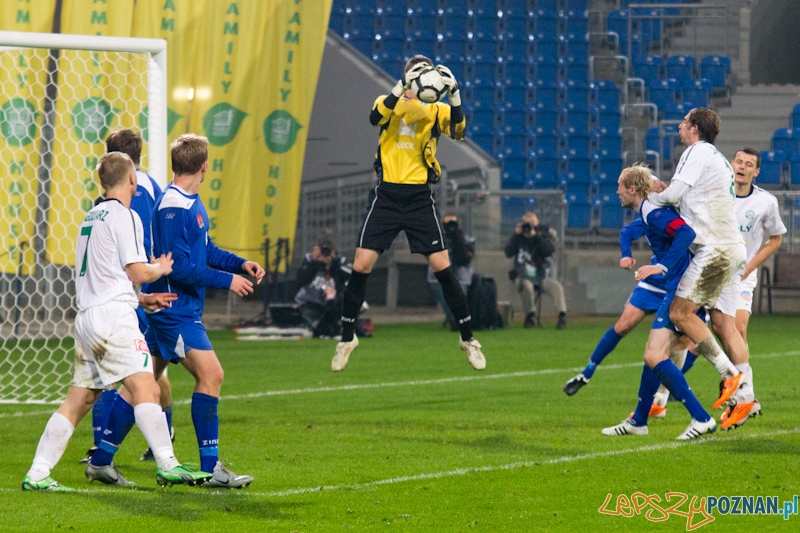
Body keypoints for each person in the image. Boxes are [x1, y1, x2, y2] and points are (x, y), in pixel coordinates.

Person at [86, 134, 266, 489]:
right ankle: (211, 467)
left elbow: (205, 249)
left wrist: (240, 263)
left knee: (142, 384)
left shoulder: (189, 201)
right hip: (173, 310)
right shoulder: (172, 207)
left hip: (172, 308)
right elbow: (179, 267)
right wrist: (227, 281)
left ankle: (101, 461)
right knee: (211, 375)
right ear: (205, 165)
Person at [22, 152, 210, 491]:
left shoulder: (90, 217)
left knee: (79, 399)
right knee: (146, 388)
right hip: (113, 319)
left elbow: (102, 275)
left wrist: (141, 298)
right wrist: (160, 270)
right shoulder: (126, 217)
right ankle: (168, 463)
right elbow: (137, 271)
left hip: (88, 317)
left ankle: (37, 473)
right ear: (132, 179)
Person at [330, 54, 486, 372]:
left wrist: (454, 94)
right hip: (386, 194)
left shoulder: (437, 108)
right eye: (414, 72)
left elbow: (458, 131)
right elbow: (375, 117)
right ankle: (347, 338)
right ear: (407, 76)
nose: (420, 77)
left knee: (443, 268)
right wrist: (402, 85)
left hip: (418, 197)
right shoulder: (389, 101)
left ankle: (468, 339)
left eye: (424, 72)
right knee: (361, 265)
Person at [81, 128, 176, 467]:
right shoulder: (122, 197)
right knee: (141, 368)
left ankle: (151, 440)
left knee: (142, 368)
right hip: (131, 286)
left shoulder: (130, 195)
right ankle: (116, 448)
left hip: (137, 283)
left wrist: (149, 280)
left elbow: (143, 239)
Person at [602, 164, 717, 439]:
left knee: (655, 355)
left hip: (680, 290)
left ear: (632, 189)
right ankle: (639, 421)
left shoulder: (652, 212)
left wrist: (662, 266)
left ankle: (701, 418)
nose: (617, 191)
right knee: (653, 356)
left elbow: (686, 233)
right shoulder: (647, 211)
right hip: (676, 287)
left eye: (620, 186)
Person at [647, 108, 746, 414]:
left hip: (715, 249)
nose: (679, 126)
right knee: (700, 327)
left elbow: (676, 193)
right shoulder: (713, 156)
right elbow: (687, 197)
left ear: (694, 128)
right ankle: (660, 400)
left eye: (684, 121)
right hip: (726, 247)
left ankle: (732, 377)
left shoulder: (697, 151)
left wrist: (651, 198)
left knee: (680, 313)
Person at [504, 211, 567, 329]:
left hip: (541, 277)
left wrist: (535, 236)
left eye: (531, 224)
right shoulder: (518, 239)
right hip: (524, 277)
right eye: (526, 224)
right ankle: (530, 317)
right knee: (527, 286)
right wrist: (515, 235)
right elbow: (508, 252)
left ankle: (561, 317)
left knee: (557, 287)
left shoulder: (541, 237)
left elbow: (549, 250)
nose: (528, 228)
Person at [295, 234, 352, 338]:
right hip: (311, 300)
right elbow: (300, 280)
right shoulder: (309, 260)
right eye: (323, 250)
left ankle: (339, 326)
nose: (325, 254)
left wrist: (333, 263)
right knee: (315, 323)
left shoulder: (340, 261)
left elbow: (352, 275)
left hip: (334, 302)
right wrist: (314, 262)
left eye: (328, 251)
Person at [426, 212, 474, 330]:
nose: (450, 226)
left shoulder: (466, 239)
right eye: (447, 224)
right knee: (443, 294)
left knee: (460, 296)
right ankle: (453, 318)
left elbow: (466, 259)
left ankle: (458, 320)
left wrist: (458, 239)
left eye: (453, 223)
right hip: (439, 274)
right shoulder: (437, 238)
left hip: (460, 274)